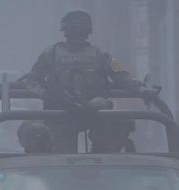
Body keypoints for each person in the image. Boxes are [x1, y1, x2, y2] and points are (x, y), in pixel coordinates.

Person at [24, 9, 153, 153]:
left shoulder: (101, 54)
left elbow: (122, 74)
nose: (76, 36)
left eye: (80, 31)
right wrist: (46, 94)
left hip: (95, 114)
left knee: (107, 147)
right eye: (72, 31)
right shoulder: (50, 54)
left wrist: (141, 89)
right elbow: (32, 80)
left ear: (86, 33)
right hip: (61, 114)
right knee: (59, 158)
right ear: (66, 32)